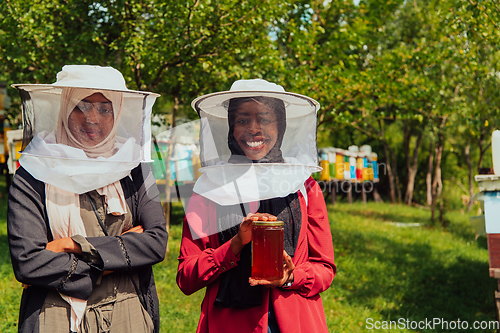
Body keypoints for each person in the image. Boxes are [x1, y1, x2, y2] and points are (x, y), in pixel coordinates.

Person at [7, 65, 168, 333]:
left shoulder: (136, 168)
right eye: (81, 106)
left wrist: (71, 245)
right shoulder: (32, 172)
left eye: (105, 109)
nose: (92, 118)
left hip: (128, 311)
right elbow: (28, 262)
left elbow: (156, 242)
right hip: (55, 312)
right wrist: (119, 255)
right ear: (63, 109)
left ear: (117, 114)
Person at [176, 79, 336, 333]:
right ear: (230, 127)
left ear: (281, 126)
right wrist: (235, 245)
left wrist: (291, 277)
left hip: (296, 321)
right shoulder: (209, 188)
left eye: (265, 118)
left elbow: (325, 267)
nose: (254, 128)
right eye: (242, 120)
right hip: (229, 324)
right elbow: (186, 277)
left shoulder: (304, 186)